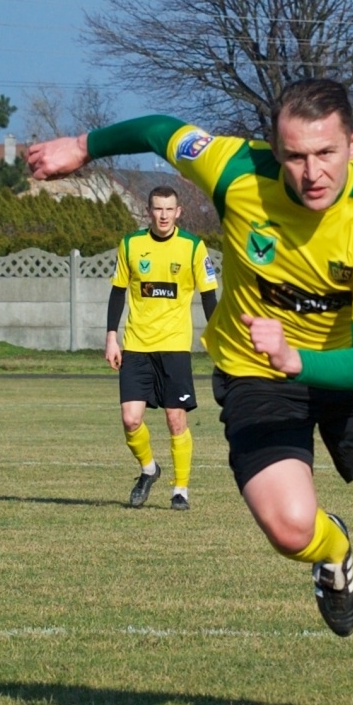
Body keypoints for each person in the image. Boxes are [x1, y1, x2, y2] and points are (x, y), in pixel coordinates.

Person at [29, 79, 353, 705]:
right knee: (289, 529)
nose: (312, 173)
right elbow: (158, 129)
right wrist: (83, 146)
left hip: (349, 369)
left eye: (327, 153)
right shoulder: (234, 168)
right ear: (273, 148)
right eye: (296, 155)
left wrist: (299, 356)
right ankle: (334, 555)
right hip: (256, 373)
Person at [106, 185, 218, 510]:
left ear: (179, 212)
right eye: (158, 209)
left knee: (175, 420)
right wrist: (111, 336)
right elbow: (117, 292)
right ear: (148, 211)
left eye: (169, 209)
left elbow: (209, 296)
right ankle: (149, 470)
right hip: (137, 345)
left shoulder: (194, 248)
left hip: (174, 347)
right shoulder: (130, 245)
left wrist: (217, 337)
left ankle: (180, 489)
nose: (164, 215)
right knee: (130, 419)